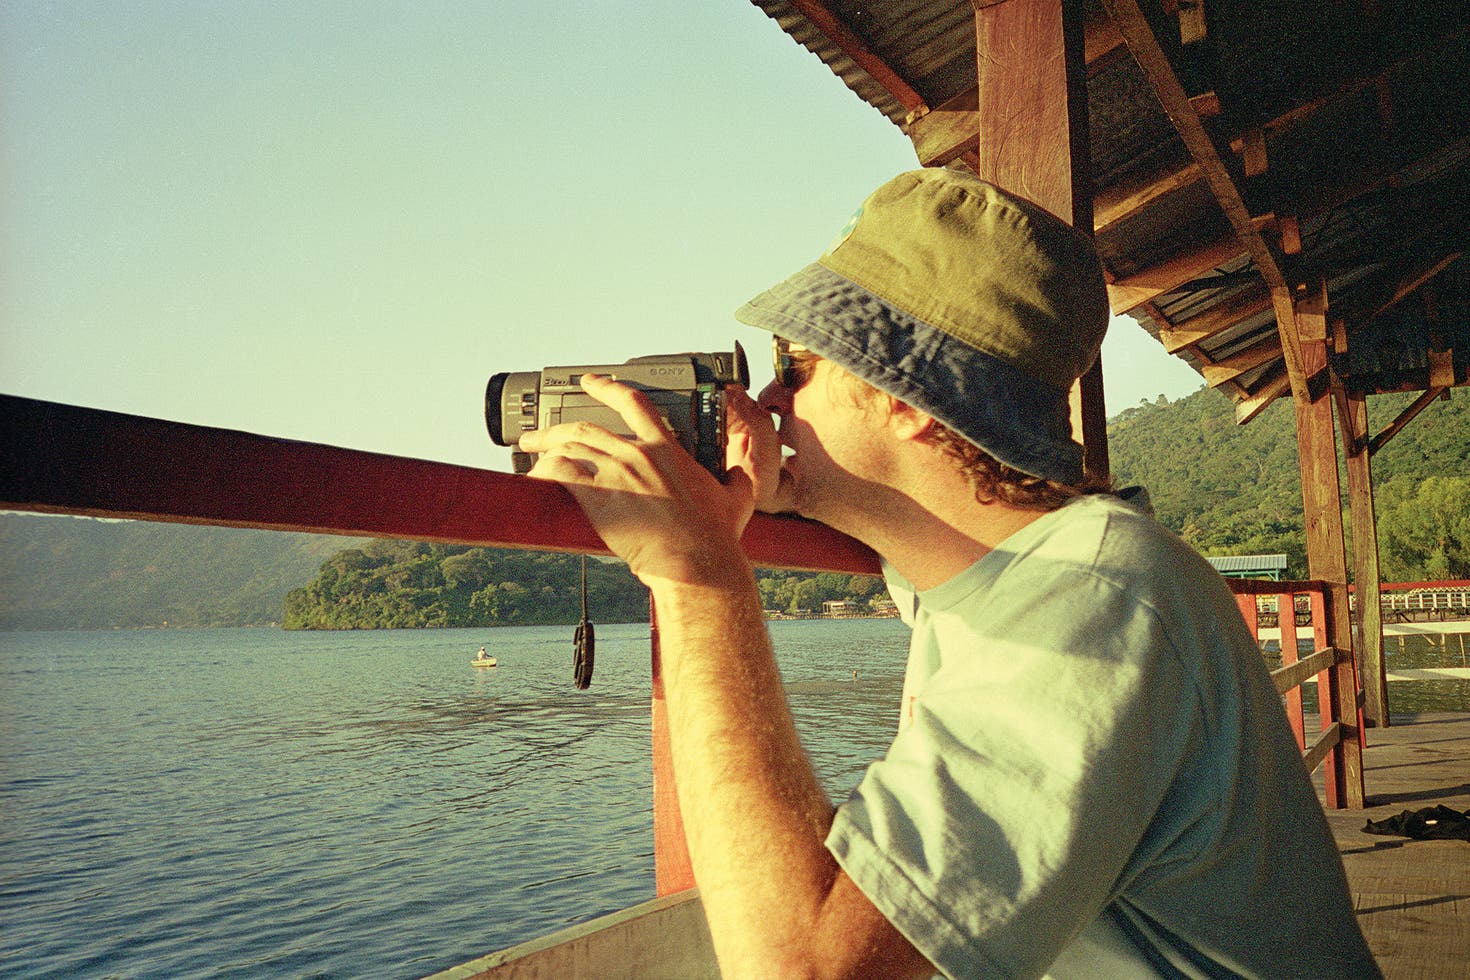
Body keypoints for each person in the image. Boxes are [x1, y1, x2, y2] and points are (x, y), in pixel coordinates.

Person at [519, 169, 1378, 978]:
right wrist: (742, 494)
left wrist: (696, 572)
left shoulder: (1097, 594)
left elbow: (807, 967)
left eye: (796, 368)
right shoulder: (985, 574)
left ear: (903, 401)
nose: (771, 402)